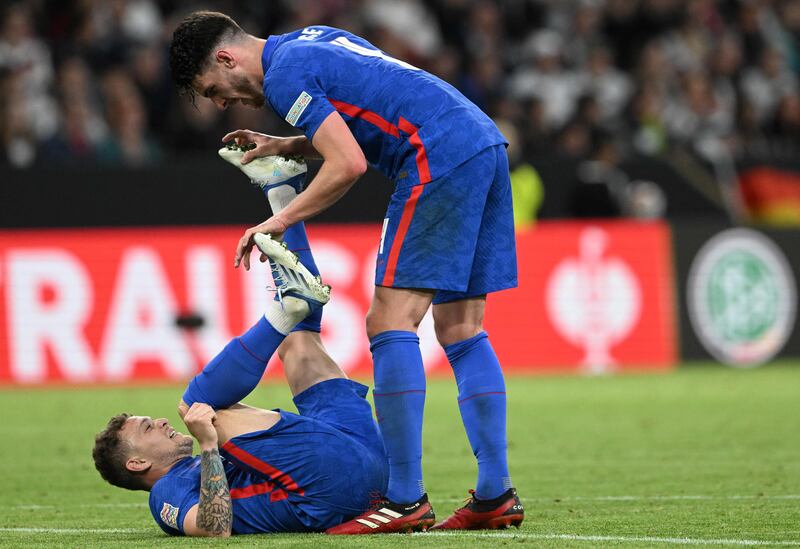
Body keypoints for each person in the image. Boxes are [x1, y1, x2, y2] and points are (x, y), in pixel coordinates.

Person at [168, 11, 524, 533]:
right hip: (480, 141)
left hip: (436, 154)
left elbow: (349, 163)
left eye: (213, 89)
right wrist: (286, 146)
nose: (222, 102)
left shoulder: (285, 76)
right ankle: (495, 494)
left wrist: (280, 219)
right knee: (461, 329)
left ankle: (404, 499)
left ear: (226, 57)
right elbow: (363, 115)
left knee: (388, 323)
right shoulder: (311, 41)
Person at [93, 207, 390, 536]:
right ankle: (284, 308)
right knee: (196, 404)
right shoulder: (167, 493)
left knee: (299, 344)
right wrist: (207, 445)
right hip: (332, 490)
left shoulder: (200, 465)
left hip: (371, 470)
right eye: (148, 428)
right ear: (137, 464)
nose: (161, 421)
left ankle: (281, 187)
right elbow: (213, 528)